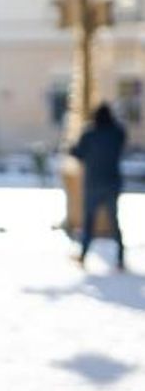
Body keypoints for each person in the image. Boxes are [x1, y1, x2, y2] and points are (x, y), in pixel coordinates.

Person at [71, 103, 127, 270]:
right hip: (112, 182)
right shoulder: (117, 132)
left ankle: (83, 255)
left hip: (93, 183)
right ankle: (120, 258)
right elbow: (122, 143)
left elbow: (77, 154)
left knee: (89, 221)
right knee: (114, 221)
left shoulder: (89, 133)